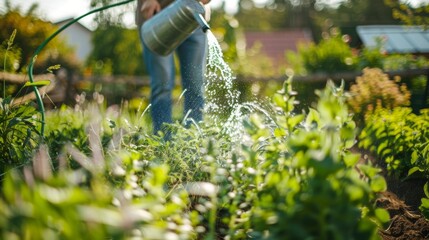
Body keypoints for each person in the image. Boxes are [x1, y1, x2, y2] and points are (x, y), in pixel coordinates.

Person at [136, 0, 211, 135]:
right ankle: (163, 142)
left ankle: (192, 140)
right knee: (162, 84)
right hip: (156, 16)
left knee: (195, 86)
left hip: (194, 18)